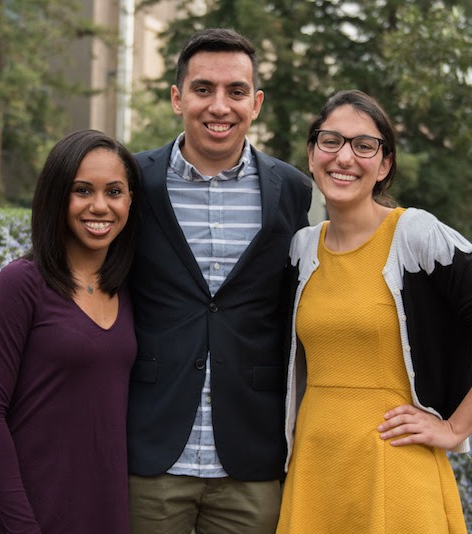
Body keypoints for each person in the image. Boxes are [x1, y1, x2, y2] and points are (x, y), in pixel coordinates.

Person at [277, 90, 472, 533]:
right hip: (315, 468)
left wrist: (455, 429)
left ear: (384, 165)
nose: (344, 156)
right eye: (330, 141)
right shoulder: (301, 249)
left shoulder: (415, 236)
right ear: (311, 154)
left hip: (394, 470)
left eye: (364, 145)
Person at [126, 28, 313, 533]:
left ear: (256, 103)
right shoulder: (133, 181)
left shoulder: (293, 190)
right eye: (203, 89)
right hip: (151, 450)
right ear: (177, 97)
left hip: (251, 456)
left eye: (235, 92)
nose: (219, 106)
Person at [0, 129, 140, 533]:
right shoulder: (22, 283)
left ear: (130, 201)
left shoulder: (129, 289)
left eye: (114, 191)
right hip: (21, 511)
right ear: (57, 196)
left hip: (99, 508)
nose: (100, 206)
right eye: (82, 190)